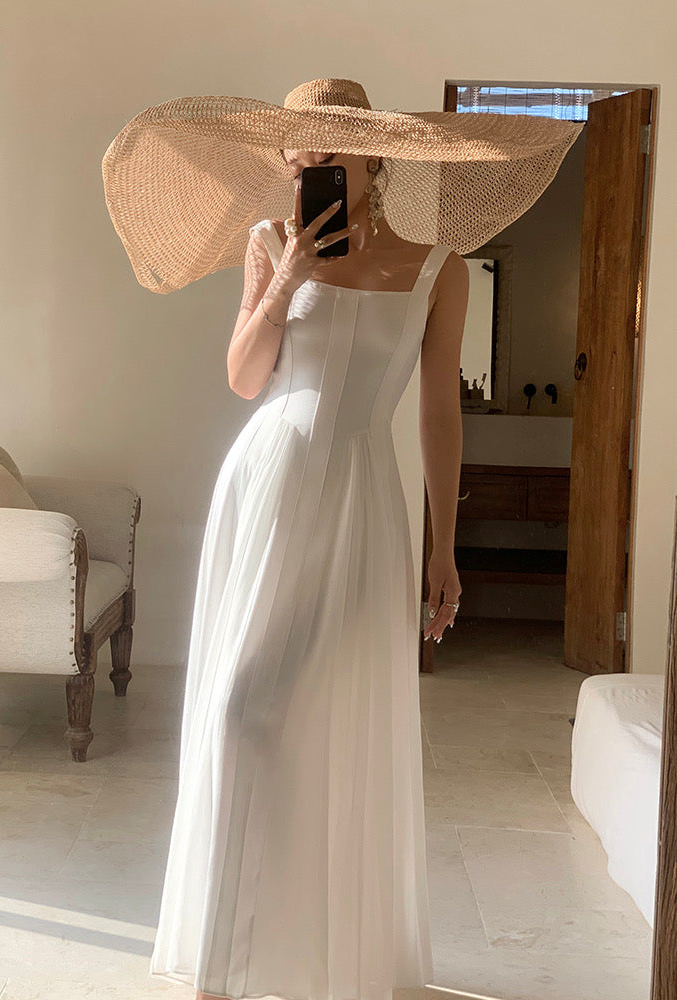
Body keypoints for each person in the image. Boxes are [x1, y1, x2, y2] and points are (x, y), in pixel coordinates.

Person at [101, 77, 583, 1000]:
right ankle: (222, 967)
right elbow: (244, 378)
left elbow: (440, 412)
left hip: (363, 501)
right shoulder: (268, 244)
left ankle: (317, 949)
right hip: (268, 486)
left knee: (330, 720)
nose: (307, 171)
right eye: (297, 157)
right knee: (240, 713)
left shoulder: (441, 269)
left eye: (326, 153)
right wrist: (285, 280)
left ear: (374, 156)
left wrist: (445, 546)